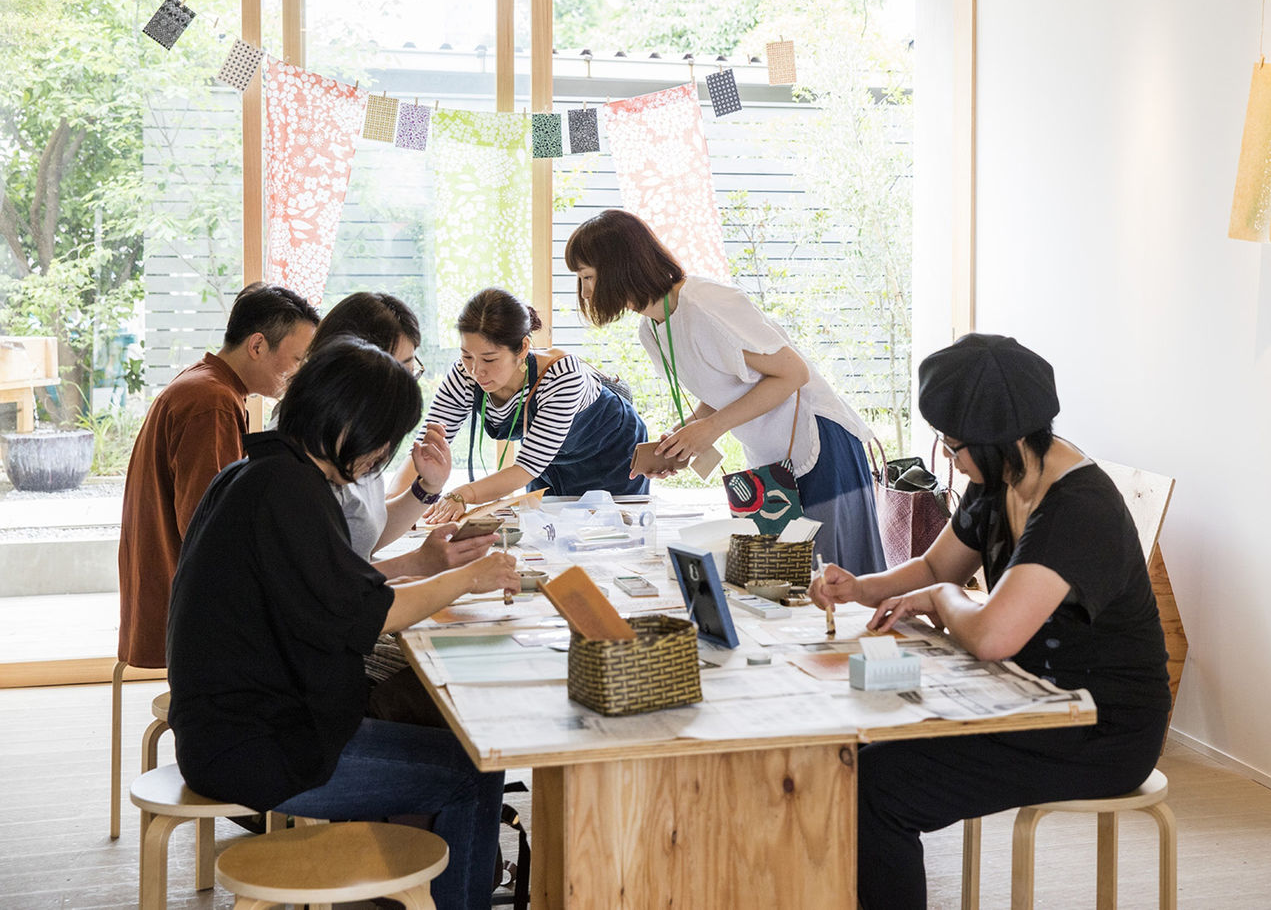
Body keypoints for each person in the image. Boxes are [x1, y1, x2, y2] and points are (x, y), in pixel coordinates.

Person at [808, 334, 1170, 910]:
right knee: (853, 750)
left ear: (1001, 439)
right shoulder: (1001, 478)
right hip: (1028, 699)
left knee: (875, 788)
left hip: (1099, 728)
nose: (950, 460)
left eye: (954, 447)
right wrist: (858, 586)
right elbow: (933, 563)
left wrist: (943, 597)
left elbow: (991, 635)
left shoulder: (1078, 509)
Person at [166, 337, 520, 910]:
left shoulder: (261, 472)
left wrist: (430, 567)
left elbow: (342, 593)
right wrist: (466, 579)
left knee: (443, 731)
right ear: (356, 424)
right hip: (258, 751)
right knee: (471, 770)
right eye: (385, 439)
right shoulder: (288, 491)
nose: (382, 454)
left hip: (228, 732)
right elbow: (367, 614)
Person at [565, 209, 886, 576]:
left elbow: (792, 373)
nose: (586, 291)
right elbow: (725, 386)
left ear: (619, 266)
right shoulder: (651, 330)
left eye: (588, 276)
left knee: (835, 580)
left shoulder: (705, 303)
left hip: (821, 444)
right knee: (786, 581)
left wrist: (711, 428)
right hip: (772, 460)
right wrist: (684, 435)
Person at [303, 292, 499, 726]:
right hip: (317, 677)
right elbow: (337, 596)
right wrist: (435, 569)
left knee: (476, 651)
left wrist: (427, 488)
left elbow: (360, 533)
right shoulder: (309, 457)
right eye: (404, 365)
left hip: (331, 640)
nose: (411, 377)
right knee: (467, 671)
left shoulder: (349, 436)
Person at [116, 281, 318, 670]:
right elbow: (207, 526)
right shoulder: (211, 401)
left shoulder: (208, 384)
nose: (299, 374)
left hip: (176, 595)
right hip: (192, 609)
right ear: (258, 346)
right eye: (296, 360)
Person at [398, 286, 649, 519]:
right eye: (467, 355)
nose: (476, 371)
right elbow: (427, 445)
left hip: (611, 453)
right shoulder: (464, 374)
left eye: (489, 359)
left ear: (522, 348)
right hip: (548, 461)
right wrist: (395, 503)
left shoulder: (562, 375)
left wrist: (462, 494)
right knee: (542, 533)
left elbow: (526, 467)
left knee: (613, 533)